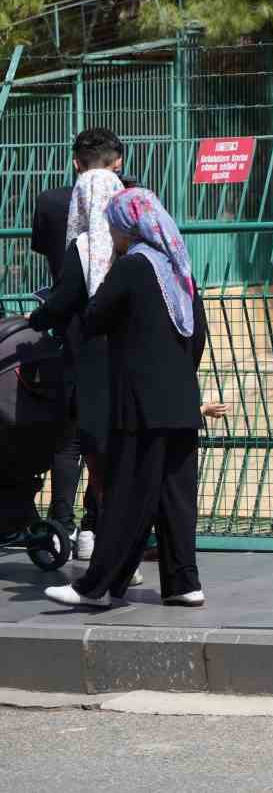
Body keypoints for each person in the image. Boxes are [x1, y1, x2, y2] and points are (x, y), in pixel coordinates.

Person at [45, 190, 206, 608]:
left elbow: (96, 315)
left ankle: (94, 588)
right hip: (182, 404)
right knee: (175, 499)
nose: (112, 232)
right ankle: (184, 583)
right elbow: (197, 336)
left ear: (129, 226)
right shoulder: (180, 271)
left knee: (126, 496)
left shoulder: (133, 267)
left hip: (141, 405)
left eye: (115, 224)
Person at [29, 129, 126, 560]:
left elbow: (50, 259)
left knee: (69, 434)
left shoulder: (52, 203)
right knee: (113, 435)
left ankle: (60, 526)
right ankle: (96, 524)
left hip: (72, 331)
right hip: (121, 335)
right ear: (117, 165)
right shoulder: (132, 200)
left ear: (75, 163)